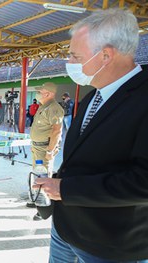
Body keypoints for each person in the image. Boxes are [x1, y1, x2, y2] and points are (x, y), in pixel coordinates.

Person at [34, 9, 148, 262]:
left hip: (109, 245)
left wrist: (67, 189)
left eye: (75, 55)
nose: (69, 61)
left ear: (105, 55)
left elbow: (143, 181)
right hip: (65, 230)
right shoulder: (94, 95)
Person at [26, 83, 63, 220]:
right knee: (37, 174)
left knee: (44, 177)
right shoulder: (44, 107)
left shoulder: (54, 108)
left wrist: (50, 150)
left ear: (48, 93)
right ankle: (38, 199)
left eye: (40, 91)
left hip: (44, 148)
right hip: (37, 147)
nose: (38, 93)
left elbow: (57, 131)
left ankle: (44, 210)